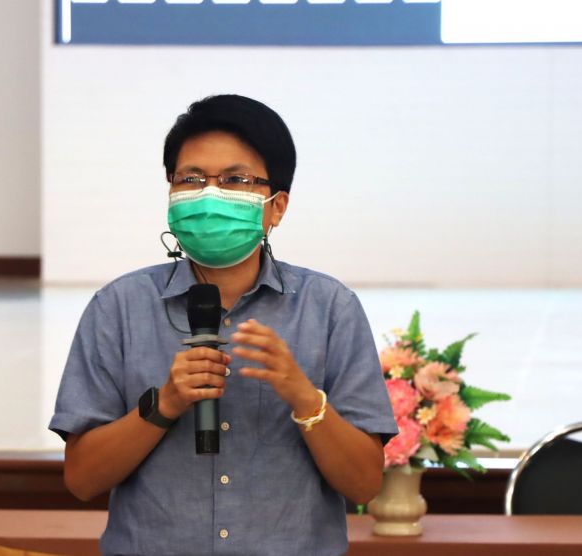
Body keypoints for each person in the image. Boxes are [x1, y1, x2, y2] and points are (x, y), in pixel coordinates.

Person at [49, 94, 397, 556]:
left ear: (276, 206)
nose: (209, 195)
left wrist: (303, 396)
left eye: (235, 179)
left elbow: (365, 484)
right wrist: (164, 404)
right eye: (191, 179)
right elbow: (81, 480)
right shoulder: (119, 307)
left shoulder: (330, 308)